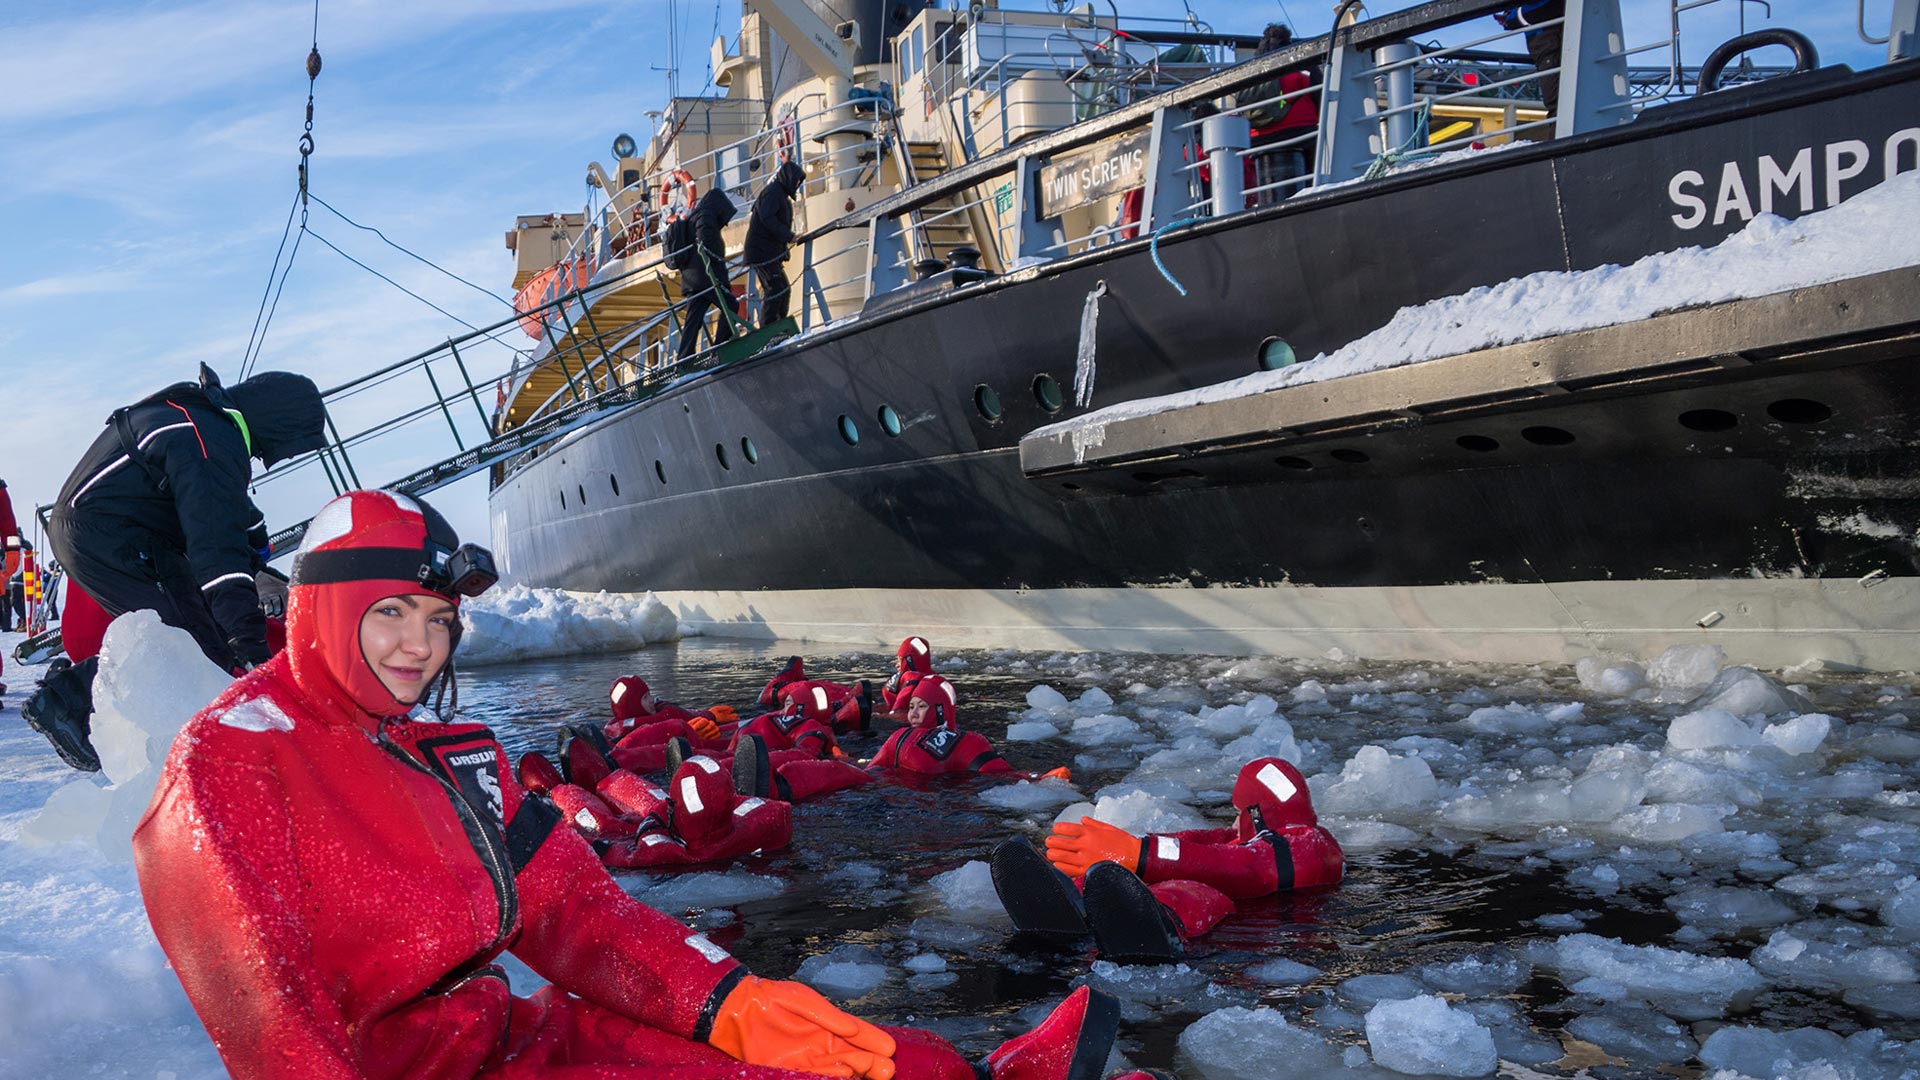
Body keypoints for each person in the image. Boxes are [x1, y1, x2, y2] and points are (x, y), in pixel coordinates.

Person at [132, 487, 1123, 1080]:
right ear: (323, 607)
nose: (418, 646)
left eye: (436, 619)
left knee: (811, 1052)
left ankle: (978, 1072)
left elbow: (576, 912)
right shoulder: (232, 761)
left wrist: (728, 1000)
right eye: (390, 612)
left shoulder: (443, 752)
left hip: (512, 1042)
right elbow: (271, 1019)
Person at [26, 364, 325, 771]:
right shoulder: (208, 439)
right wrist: (249, 640)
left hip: (109, 530)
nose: (273, 457)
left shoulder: (200, 423)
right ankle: (67, 702)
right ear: (277, 423)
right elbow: (215, 549)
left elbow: (217, 504)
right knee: (184, 641)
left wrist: (253, 535)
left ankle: (218, 742)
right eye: (288, 445)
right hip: (111, 536)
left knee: (195, 635)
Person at [989, 757, 1343, 963]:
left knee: (1191, 887)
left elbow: (1249, 869)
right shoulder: (1249, 839)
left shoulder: (1311, 846)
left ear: (1256, 811)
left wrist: (1142, 854)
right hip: (1239, 936)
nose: (1233, 823)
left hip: (1258, 944)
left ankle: (1155, 922)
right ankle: (1073, 901)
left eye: (1238, 813)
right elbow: (1200, 845)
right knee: (1128, 876)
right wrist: (1123, 852)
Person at [1235, 25, 1321, 204]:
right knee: (1318, 158)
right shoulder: (1302, 63)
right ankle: (1314, 195)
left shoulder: (1249, 70)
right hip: (1301, 133)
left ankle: (1263, 203)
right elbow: (1321, 98)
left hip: (1257, 140)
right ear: (1287, 41)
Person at [674, 188, 739, 361]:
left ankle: (684, 358)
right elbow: (706, 243)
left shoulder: (695, 216)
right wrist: (718, 257)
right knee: (731, 305)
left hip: (692, 278)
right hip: (706, 277)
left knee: (693, 319)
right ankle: (720, 347)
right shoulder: (706, 215)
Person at [743, 158, 806, 325]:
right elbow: (767, 218)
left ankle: (778, 324)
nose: (796, 184)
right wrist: (788, 236)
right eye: (796, 180)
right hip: (762, 252)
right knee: (775, 288)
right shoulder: (773, 193)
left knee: (782, 288)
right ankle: (769, 328)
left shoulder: (779, 195)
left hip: (767, 251)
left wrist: (782, 247)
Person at [1495, 1, 1566, 115]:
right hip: (1548, 44)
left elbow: (1550, 7)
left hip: (1550, 43)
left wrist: (1512, 18)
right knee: (1557, 102)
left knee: (1557, 103)